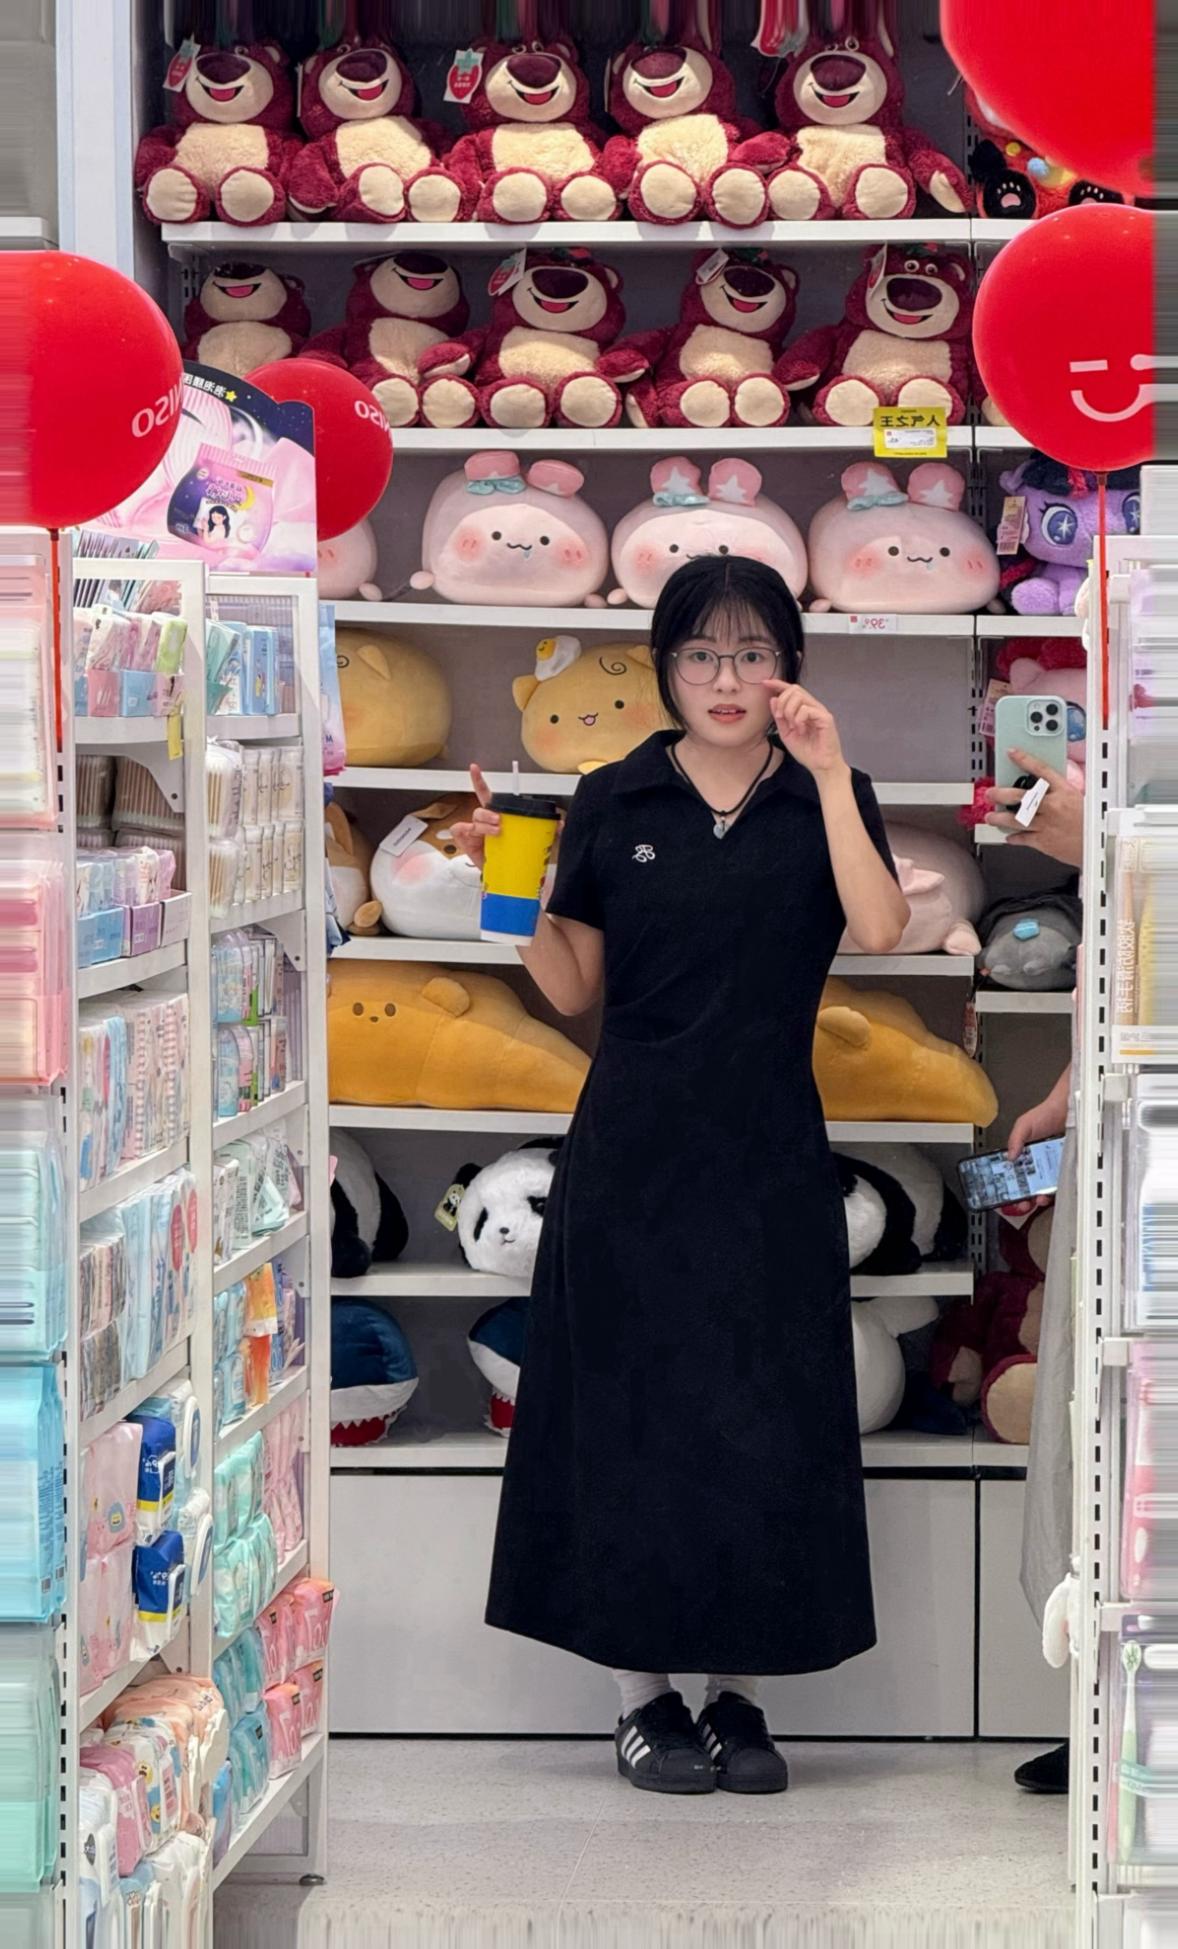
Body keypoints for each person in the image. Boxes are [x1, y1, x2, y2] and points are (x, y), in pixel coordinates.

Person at [453, 556, 908, 1796]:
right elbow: (569, 987)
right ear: (663, 665)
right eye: (700, 653)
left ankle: (739, 1697)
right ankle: (641, 1697)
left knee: (764, 1418)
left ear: (788, 668)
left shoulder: (828, 791)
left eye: (752, 652)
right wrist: (503, 885)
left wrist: (827, 770)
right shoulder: (614, 794)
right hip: (629, 1153)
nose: (725, 677)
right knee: (630, 1418)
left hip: (767, 1153)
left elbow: (879, 930)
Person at [984, 747, 1085, 1796]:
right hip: (1121, 1130)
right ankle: (1103, 1696)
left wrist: (1097, 848)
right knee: (1082, 1421)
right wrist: (1065, 1093)